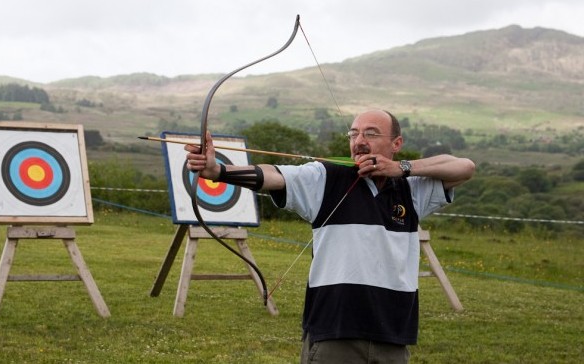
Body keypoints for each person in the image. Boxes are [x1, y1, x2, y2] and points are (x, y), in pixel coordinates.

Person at [185, 109, 475, 364]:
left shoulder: (411, 189)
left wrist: (402, 168)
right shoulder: (325, 177)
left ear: (396, 144)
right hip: (336, 335)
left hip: (393, 336)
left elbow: (465, 167)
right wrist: (218, 171)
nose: (359, 141)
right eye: (354, 133)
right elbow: (274, 175)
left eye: (371, 134)